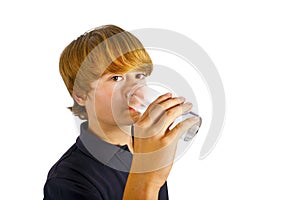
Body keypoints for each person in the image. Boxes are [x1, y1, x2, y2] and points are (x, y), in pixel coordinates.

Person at [43, 25, 201, 200]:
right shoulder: (68, 181)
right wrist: (147, 179)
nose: (134, 89)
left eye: (139, 75)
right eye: (116, 78)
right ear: (80, 95)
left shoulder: (145, 144)